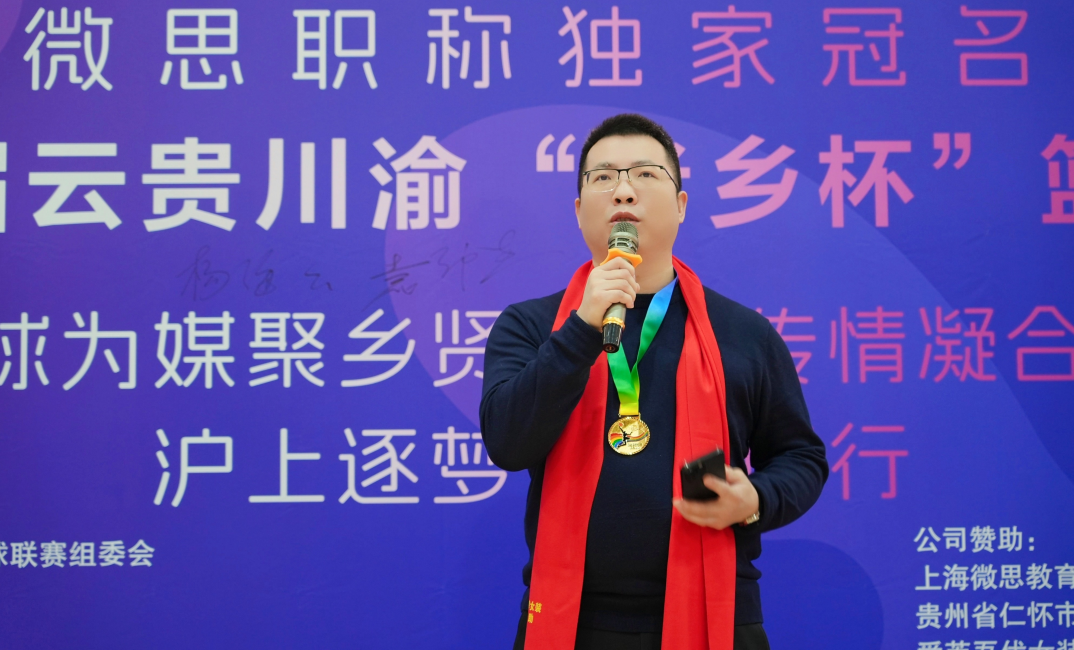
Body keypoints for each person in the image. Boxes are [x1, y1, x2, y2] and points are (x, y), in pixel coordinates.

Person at [480, 113, 828, 650]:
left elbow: (801, 457)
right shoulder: (531, 326)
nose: (623, 191)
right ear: (579, 211)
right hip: (573, 623)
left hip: (716, 617)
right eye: (603, 177)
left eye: (645, 174)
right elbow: (508, 442)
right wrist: (580, 330)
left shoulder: (744, 333)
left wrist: (756, 498)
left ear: (681, 205)